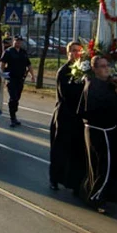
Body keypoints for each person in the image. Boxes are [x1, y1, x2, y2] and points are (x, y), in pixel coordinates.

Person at [77, 56, 117, 214]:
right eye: (103, 66)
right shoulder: (93, 85)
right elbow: (103, 106)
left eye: (107, 66)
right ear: (95, 69)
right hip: (99, 130)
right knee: (106, 166)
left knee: (100, 166)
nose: (106, 69)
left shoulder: (104, 83)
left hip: (105, 129)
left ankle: (88, 191)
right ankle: (95, 197)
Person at [49, 42, 85, 191]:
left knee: (77, 150)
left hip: (78, 116)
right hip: (64, 115)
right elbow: (67, 94)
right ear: (68, 53)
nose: (77, 54)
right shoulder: (64, 71)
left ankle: (74, 181)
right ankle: (54, 179)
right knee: (60, 149)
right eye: (74, 51)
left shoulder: (84, 70)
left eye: (79, 51)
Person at [0, 36, 35, 127]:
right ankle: (12, 118)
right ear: (13, 41)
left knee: (17, 98)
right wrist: (1, 76)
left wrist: (32, 75)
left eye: (20, 41)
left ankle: (14, 115)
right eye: (16, 41)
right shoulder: (8, 51)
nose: (18, 43)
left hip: (20, 79)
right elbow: (2, 63)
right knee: (13, 98)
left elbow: (29, 64)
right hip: (11, 78)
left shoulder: (23, 52)